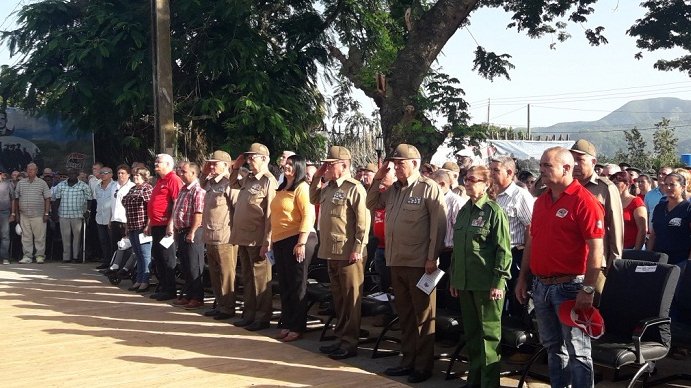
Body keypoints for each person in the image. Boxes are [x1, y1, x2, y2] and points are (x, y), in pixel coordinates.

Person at [515, 147, 605, 388]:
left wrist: (588, 289)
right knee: (553, 347)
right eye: (541, 165)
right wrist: (523, 278)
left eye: (547, 166)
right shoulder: (541, 201)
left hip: (570, 288)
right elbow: (532, 242)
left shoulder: (584, 201)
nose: (541, 170)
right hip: (542, 286)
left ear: (566, 168)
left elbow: (597, 250)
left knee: (578, 351)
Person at [367, 144, 446, 383]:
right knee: (405, 315)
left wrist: (432, 257)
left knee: (423, 316)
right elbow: (372, 203)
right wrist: (380, 175)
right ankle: (407, 360)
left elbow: (438, 225)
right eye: (394, 163)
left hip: (420, 263)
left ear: (415, 163)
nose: (396, 167)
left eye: (400, 162)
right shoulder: (393, 190)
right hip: (396, 260)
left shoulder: (428, 188)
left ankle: (422, 366)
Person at [450, 165, 511, 388]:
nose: (467, 183)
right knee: (473, 335)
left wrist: (499, 281)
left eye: (473, 180)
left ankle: (489, 383)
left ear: (486, 184)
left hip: (487, 284)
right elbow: (458, 250)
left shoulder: (494, 211)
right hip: (466, 283)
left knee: (489, 338)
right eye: (466, 179)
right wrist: (455, 279)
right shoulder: (464, 210)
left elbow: (504, 250)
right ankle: (474, 380)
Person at [310, 145, 370, 360]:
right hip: (331, 250)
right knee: (339, 299)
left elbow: (363, 223)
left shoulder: (355, 188)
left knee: (350, 299)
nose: (325, 167)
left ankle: (349, 342)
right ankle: (340, 337)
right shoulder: (328, 187)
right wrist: (317, 177)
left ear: (343, 165)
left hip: (348, 252)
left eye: (329, 164)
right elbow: (313, 198)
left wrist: (358, 248)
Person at [229, 143, 277, 331]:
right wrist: (235, 167)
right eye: (247, 157)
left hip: (258, 238)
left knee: (260, 279)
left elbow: (270, 215)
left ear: (264, 159)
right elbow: (233, 183)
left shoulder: (268, 181)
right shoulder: (248, 178)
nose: (249, 161)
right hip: (243, 237)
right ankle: (249, 314)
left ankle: (262, 316)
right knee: (247, 278)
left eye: (252, 157)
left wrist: (267, 241)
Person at [270, 154, 316, 342]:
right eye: (286, 164)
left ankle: (297, 326)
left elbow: (308, 215)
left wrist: (301, 242)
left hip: (298, 239)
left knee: (297, 284)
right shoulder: (282, 188)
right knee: (285, 284)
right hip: (280, 240)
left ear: (299, 167)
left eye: (291, 164)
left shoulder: (303, 188)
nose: (287, 166)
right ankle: (287, 321)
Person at [570, 139, 622, 295]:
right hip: (570, 262)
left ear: (593, 162)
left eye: (580, 160)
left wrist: (615, 264)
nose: (575, 164)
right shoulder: (567, 186)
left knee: (594, 310)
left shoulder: (605, 188)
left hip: (596, 263)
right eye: (572, 160)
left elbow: (615, 228)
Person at [490, 155, 534, 317]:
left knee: (511, 304)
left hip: (513, 256)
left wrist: (524, 267)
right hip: (491, 256)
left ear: (509, 172)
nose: (491, 173)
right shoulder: (490, 194)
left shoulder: (520, 196)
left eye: (496, 170)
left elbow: (531, 231)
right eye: (490, 169)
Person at [201, 150, 240, 321]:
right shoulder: (209, 182)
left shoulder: (229, 183)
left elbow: (237, 209)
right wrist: (205, 168)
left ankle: (228, 307)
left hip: (225, 236)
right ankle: (220, 304)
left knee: (226, 274)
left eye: (215, 163)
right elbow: (201, 180)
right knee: (215, 274)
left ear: (226, 165)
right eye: (210, 163)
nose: (211, 166)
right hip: (210, 235)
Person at [168, 161, 206, 309]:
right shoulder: (184, 189)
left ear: (193, 173)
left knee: (194, 265)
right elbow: (178, 210)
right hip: (183, 231)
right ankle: (188, 295)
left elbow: (199, 213)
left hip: (193, 231)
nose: (180, 174)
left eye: (184, 172)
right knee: (185, 265)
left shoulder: (198, 190)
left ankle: (197, 297)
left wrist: (193, 231)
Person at [145, 154, 183, 301]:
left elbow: (176, 203)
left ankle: (170, 289)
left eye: (159, 162)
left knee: (167, 258)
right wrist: (149, 223)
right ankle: (163, 286)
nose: (155, 164)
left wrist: (171, 224)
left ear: (168, 164)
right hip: (156, 225)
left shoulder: (173, 179)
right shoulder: (160, 180)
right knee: (158, 257)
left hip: (166, 226)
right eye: (155, 161)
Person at [431, 169, 467, 306]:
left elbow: (460, 232)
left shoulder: (455, 202)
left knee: (448, 293)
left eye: (432, 185)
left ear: (441, 184)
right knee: (435, 292)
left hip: (450, 253)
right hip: (434, 253)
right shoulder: (432, 201)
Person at [648, 172, 691, 271]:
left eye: (672, 185)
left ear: (682, 187)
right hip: (658, 259)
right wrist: (648, 256)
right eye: (666, 184)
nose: (668, 188)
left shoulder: (688, 208)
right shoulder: (659, 207)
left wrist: (688, 263)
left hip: (680, 261)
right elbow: (653, 235)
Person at [121, 167, 154, 292]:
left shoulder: (147, 188)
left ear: (144, 177)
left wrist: (148, 225)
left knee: (145, 255)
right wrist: (127, 226)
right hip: (132, 225)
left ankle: (145, 280)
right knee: (137, 254)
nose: (135, 177)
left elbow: (150, 208)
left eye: (138, 175)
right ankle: (139, 279)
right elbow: (126, 206)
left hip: (142, 226)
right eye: (134, 175)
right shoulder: (132, 188)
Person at [12, 163, 51, 264]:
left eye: (32, 170)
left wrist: (46, 214)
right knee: (26, 237)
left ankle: (39, 256)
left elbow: (47, 198)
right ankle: (27, 256)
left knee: (40, 237)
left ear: (37, 171)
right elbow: (16, 199)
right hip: (24, 215)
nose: (30, 171)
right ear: (26, 170)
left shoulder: (42, 183)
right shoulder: (21, 183)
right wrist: (16, 214)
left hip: (39, 215)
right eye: (29, 169)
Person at [53, 169, 91, 263]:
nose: (72, 175)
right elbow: (56, 200)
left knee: (77, 238)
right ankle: (66, 257)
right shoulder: (61, 185)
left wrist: (88, 211)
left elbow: (89, 199)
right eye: (70, 174)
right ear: (67, 175)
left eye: (74, 173)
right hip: (64, 214)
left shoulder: (83, 186)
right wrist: (55, 213)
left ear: (77, 175)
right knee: (65, 237)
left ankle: (75, 257)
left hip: (78, 215)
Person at [610, 171, 647, 250]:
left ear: (626, 185)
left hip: (631, 248)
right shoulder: (611, 201)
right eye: (611, 183)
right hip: (614, 247)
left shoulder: (636, 202)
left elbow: (642, 229)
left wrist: (636, 251)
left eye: (616, 183)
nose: (613, 186)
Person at [94, 166, 117, 269]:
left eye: (106, 173)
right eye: (101, 173)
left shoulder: (115, 186)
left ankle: (114, 262)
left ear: (111, 174)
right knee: (103, 241)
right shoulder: (97, 186)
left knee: (112, 241)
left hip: (111, 218)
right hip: (100, 217)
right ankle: (106, 261)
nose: (103, 174)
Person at [110, 165, 135, 252]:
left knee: (126, 244)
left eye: (123, 173)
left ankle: (124, 265)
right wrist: (110, 219)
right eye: (119, 173)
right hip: (114, 219)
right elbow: (112, 204)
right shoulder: (113, 186)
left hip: (125, 220)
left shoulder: (132, 187)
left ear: (128, 175)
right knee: (114, 244)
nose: (120, 175)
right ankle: (114, 264)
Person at [0, 170, 14, 264]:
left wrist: (13, 213)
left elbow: (13, 199)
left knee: (5, 235)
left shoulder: (8, 184)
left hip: (4, 212)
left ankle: (5, 257)